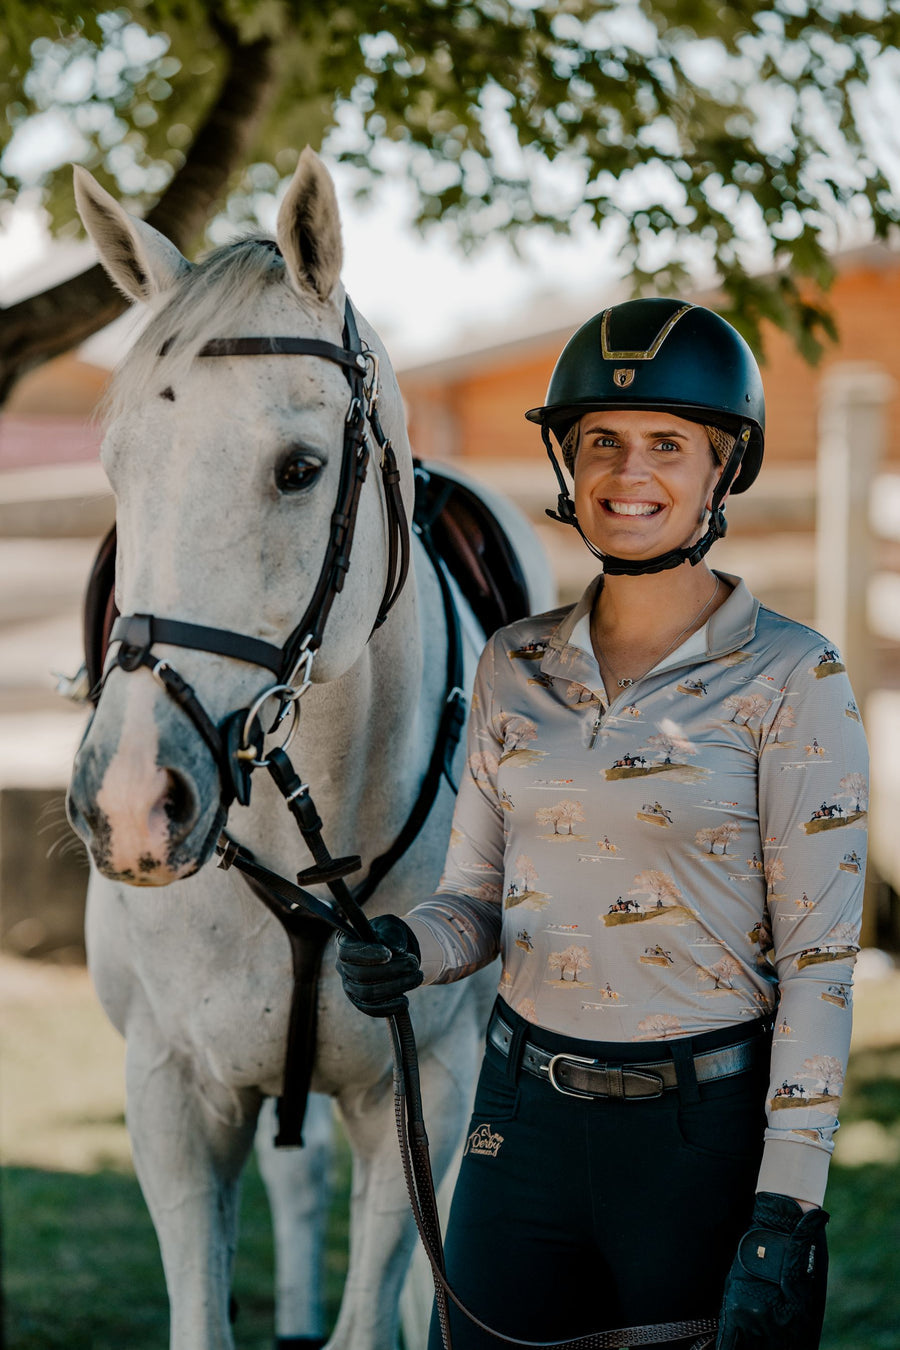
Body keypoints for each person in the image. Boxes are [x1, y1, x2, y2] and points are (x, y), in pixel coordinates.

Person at [336, 298, 867, 1349]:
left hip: (700, 1139)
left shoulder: (795, 676)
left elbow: (821, 963)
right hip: (519, 1119)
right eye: (602, 443)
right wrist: (412, 948)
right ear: (569, 465)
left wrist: (787, 1204)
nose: (630, 472)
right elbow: (475, 902)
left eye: (668, 444)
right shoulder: (513, 662)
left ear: (724, 469)